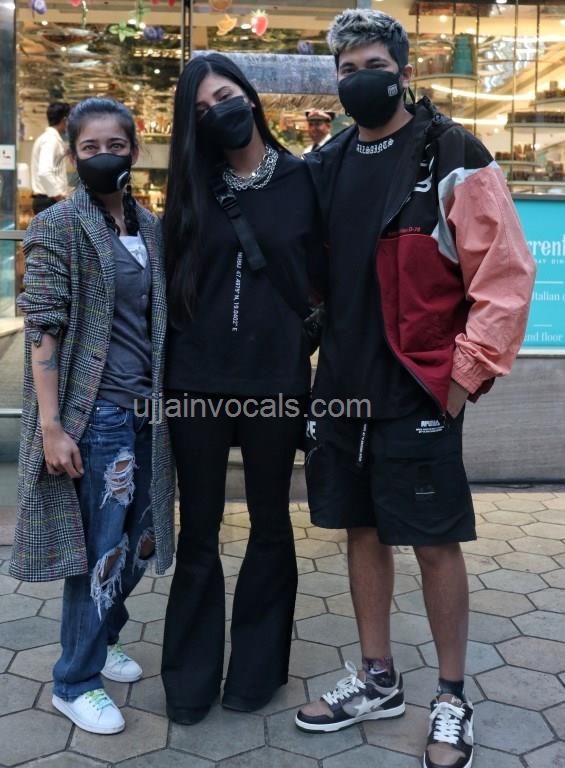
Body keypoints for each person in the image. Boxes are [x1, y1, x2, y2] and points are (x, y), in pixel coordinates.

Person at [295, 10, 536, 768]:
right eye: (346, 70)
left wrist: (461, 379)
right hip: (342, 386)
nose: (358, 80)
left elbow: (504, 275)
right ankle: (377, 680)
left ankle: (451, 696)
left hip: (419, 387)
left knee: (433, 541)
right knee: (360, 530)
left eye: (372, 65)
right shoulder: (328, 162)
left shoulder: (452, 152)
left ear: (403, 71)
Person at [161, 52, 320, 725]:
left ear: (250, 98)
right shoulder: (192, 187)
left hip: (275, 378)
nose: (216, 112)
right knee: (198, 528)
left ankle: (256, 670)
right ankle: (189, 677)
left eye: (223, 97)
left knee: (269, 523)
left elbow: (326, 281)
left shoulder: (306, 180)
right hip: (195, 380)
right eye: (200, 110)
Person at [11, 97, 175, 736]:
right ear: (73, 154)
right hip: (96, 413)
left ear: (134, 149)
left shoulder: (151, 227)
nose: (104, 155)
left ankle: (104, 637)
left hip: (148, 412)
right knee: (99, 550)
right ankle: (74, 680)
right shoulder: (57, 227)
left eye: (116, 145)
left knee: (143, 539)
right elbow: (43, 330)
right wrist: (52, 426)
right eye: (90, 147)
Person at [30, 102, 71, 214]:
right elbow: (45, 172)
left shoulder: (47, 138)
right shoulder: (51, 140)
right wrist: (60, 197)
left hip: (47, 201)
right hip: (49, 202)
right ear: (65, 120)